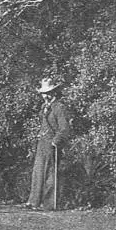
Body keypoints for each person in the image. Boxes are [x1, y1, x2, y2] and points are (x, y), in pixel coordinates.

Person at [25, 77, 71, 210]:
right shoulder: (44, 107)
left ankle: (49, 204)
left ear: (55, 92)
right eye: (44, 93)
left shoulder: (59, 107)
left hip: (52, 143)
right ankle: (34, 201)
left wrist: (56, 141)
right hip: (42, 142)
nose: (46, 96)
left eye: (49, 93)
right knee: (38, 171)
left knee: (51, 173)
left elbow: (64, 128)